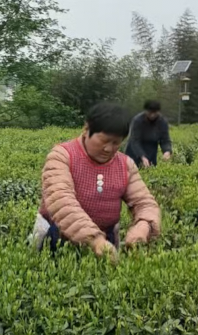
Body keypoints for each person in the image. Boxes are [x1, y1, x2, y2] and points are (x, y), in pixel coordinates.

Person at [30, 103, 161, 261]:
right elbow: (61, 201)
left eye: (116, 143)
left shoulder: (125, 164)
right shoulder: (62, 155)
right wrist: (94, 240)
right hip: (57, 237)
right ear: (86, 129)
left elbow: (144, 202)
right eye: (104, 140)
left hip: (106, 239)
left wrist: (143, 225)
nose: (108, 149)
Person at [126, 100, 172, 168]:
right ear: (145, 111)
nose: (152, 115)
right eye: (150, 112)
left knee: (150, 168)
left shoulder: (162, 122)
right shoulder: (138, 121)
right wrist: (142, 156)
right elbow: (135, 140)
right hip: (134, 151)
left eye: (155, 112)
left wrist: (167, 151)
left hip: (151, 150)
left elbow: (165, 140)